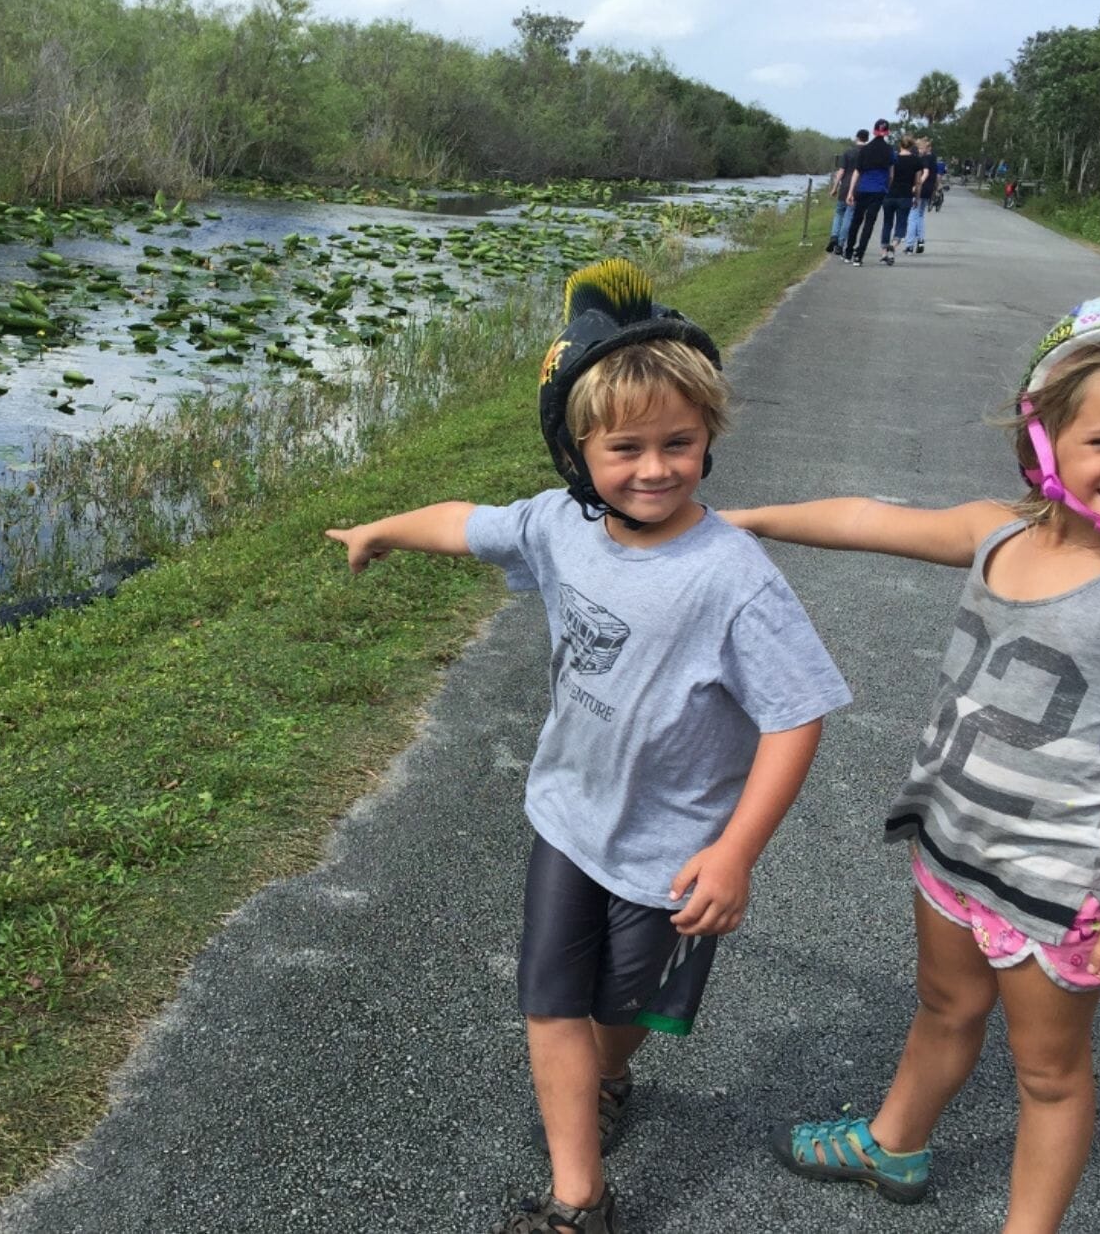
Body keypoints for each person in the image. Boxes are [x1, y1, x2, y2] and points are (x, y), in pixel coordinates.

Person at [326, 259, 851, 1234]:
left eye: (679, 444)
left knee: (622, 1014)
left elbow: (796, 715)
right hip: (568, 819)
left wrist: (735, 851)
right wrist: (381, 530)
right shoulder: (560, 527)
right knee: (551, 997)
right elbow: (467, 524)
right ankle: (582, 1201)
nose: (654, 468)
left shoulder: (733, 577)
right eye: (626, 448)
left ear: (709, 441)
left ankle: (613, 1079)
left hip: (673, 847)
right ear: (577, 454)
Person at [727, 291, 1100, 1233]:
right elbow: (869, 518)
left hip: (1060, 882)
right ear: (1046, 438)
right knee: (945, 1003)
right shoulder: (999, 531)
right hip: (952, 843)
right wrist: (749, 519)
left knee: (1049, 1074)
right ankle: (894, 1144)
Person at [844, 118, 895, 266]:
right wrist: (887, 187)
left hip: (863, 188)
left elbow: (857, 172)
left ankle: (848, 253)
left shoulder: (865, 149)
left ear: (874, 131)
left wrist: (850, 192)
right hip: (879, 191)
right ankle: (859, 256)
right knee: (869, 223)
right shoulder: (889, 150)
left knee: (856, 220)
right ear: (886, 132)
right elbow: (891, 174)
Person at [880, 134, 926, 266]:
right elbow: (918, 182)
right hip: (905, 195)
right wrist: (917, 197)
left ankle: (883, 253)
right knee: (901, 224)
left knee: (887, 223)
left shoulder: (893, 159)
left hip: (890, 195)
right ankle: (893, 246)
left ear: (900, 145)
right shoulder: (917, 161)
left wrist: (886, 190)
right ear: (912, 146)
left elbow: (890, 177)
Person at [828, 130, 867, 256]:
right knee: (849, 216)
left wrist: (834, 187)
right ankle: (840, 243)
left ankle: (834, 236)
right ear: (867, 139)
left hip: (844, 187)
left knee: (839, 213)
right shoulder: (867, 153)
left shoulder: (848, 152)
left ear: (857, 138)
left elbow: (841, 171)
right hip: (858, 187)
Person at [906, 136, 939, 245]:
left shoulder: (924, 159)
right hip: (928, 190)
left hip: (921, 189)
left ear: (925, 148)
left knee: (913, 216)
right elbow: (936, 176)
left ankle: (909, 244)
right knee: (920, 215)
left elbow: (925, 173)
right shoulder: (933, 158)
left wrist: (917, 185)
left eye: (920, 148)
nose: (918, 151)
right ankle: (920, 239)